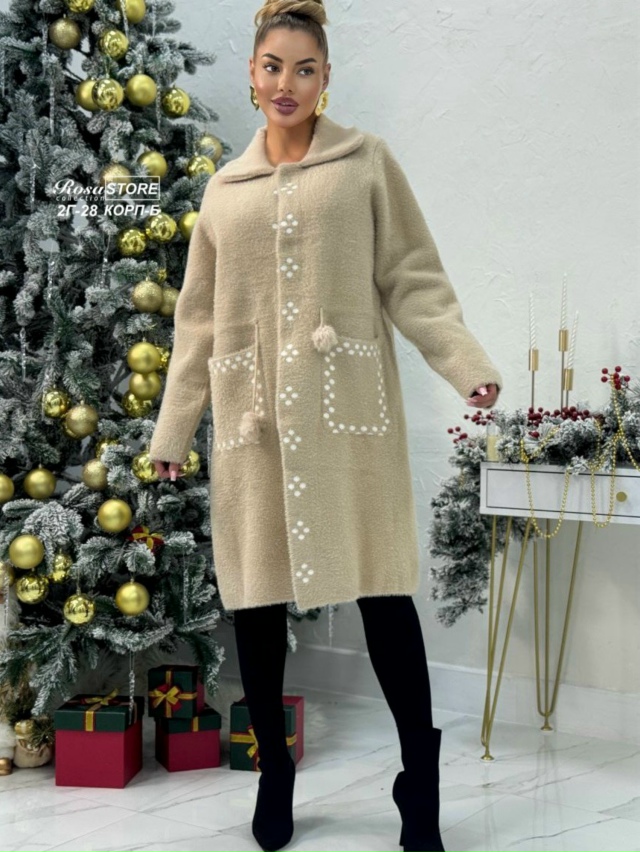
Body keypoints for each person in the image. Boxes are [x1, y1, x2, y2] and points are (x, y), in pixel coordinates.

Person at [149, 1, 502, 850]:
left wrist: (464, 363)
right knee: (258, 602)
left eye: (304, 69)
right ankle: (274, 771)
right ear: (252, 72)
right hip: (254, 421)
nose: (287, 84)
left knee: (384, 589)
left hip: (351, 421)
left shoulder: (363, 163)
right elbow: (197, 322)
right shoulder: (224, 191)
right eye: (273, 66)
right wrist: (172, 432)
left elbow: (412, 276)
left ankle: (419, 780)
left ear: (326, 78)